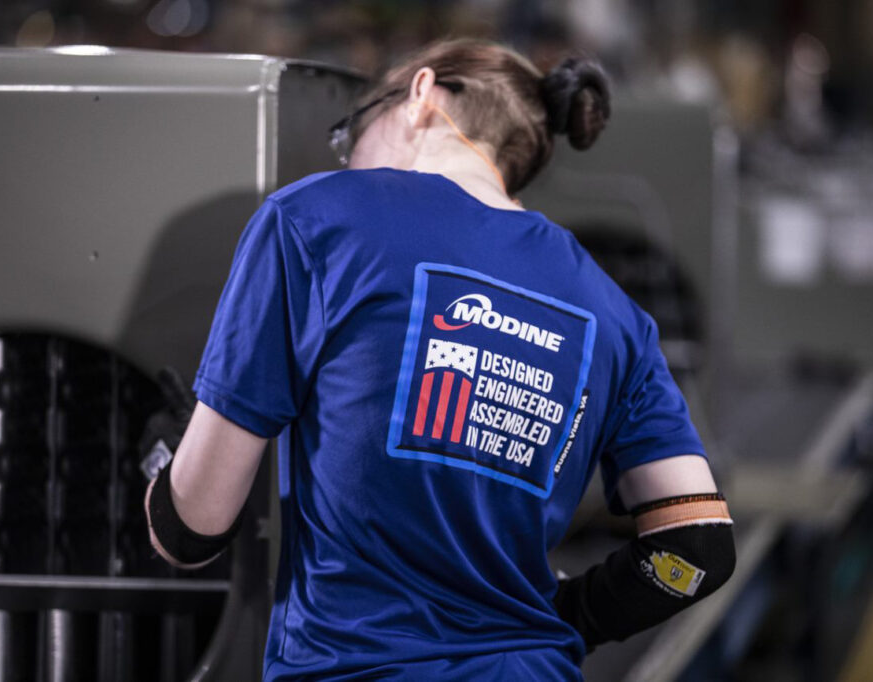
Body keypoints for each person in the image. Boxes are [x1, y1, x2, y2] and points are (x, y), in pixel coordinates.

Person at [144, 38, 735, 680]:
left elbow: (191, 531)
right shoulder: (617, 314)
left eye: (352, 135)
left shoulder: (315, 220)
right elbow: (697, 546)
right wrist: (566, 618)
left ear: (421, 95)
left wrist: (167, 448)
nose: (348, 161)